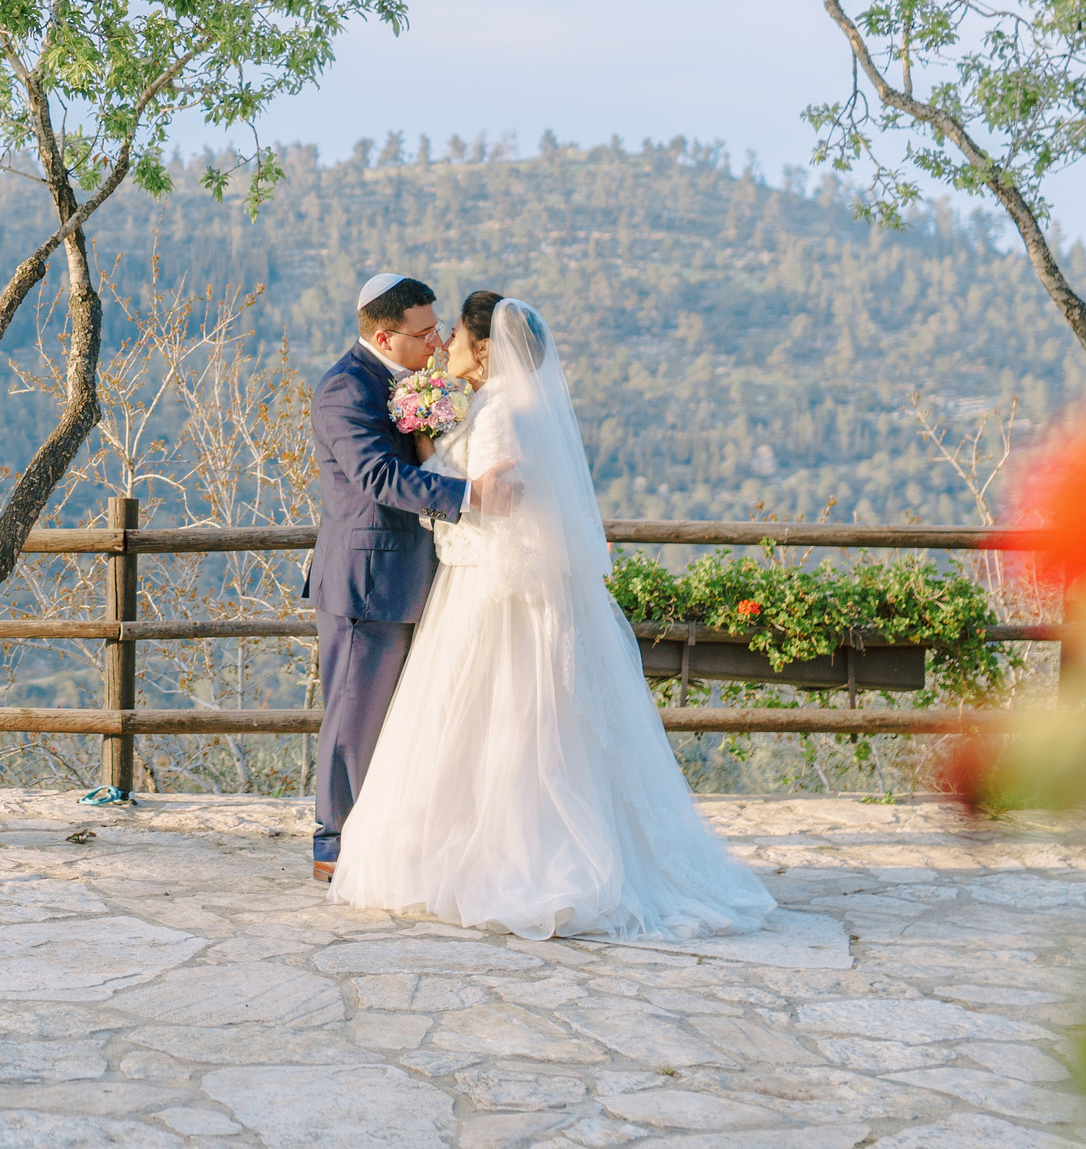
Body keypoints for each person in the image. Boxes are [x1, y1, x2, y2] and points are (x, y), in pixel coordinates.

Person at [327, 293, 776, 939]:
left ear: (483, 348)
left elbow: (498, 504)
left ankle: (515, 861)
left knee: (502, 728)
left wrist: (446, 477)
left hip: (493, 591)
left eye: (452, 332)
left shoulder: (504, 411)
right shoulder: (496, 403)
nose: (444, 341)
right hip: (478, 581)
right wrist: (435, 443)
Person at [304, 273, 517, 884]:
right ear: (382, 335)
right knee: (353, 715)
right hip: (365, 580)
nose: (435, 343)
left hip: (417, 575)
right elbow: (376, 477)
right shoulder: (346, 390)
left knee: (398, 721)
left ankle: (382, 836)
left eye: (435, 331)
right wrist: (470, 494)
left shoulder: (411, 383)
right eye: (423, 334)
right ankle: (333, 845)